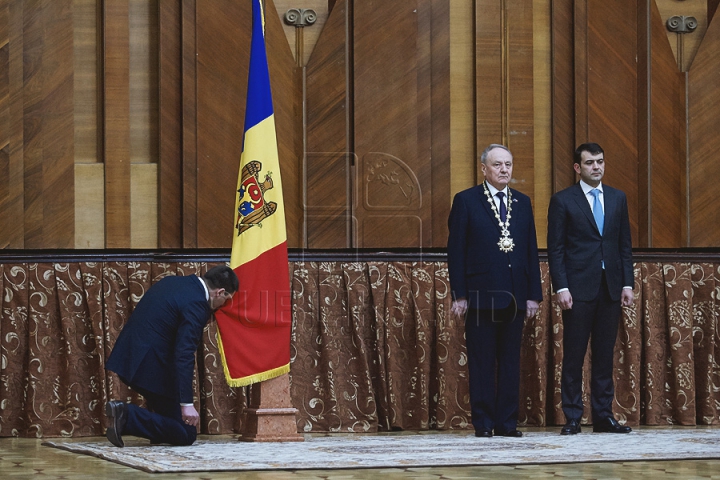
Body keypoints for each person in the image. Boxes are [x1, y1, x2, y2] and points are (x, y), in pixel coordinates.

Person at [447, 144, 543, 438]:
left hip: (515, 294)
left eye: (509, 165)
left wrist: (533, 295)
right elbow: (456, 251)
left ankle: (507, 423)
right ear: (484, 169)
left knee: (511, 363)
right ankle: (484, 423)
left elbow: (530, 250)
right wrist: (459, 294)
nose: (504, 170)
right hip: (480, 294)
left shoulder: (523, 202)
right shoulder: (466, 201)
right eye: (498, 165)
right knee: (482, 362)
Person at [547, 142, 634, 435]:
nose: (596, 167)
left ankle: (603, 416)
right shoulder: (563, 200)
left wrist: (627, 283)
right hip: (577, 290)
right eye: (589, 163)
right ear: (577, 168)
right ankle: (572, 416)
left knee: (604, 355)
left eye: (600, 161)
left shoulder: (617, 197)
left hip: (610, 289)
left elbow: (623, 245)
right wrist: (561, 287)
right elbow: (556, 249)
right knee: (573, 355)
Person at [104, 265, 239, 447]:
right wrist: (186, 403)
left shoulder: (174, 281)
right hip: (149, 366)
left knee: (168, 419)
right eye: (227, 299)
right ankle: (126, 415)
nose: (225, 305)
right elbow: (184, 354)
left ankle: (144, 428)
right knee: (185, 433)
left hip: (130, 356)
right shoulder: (197, 304)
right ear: (220, 292)